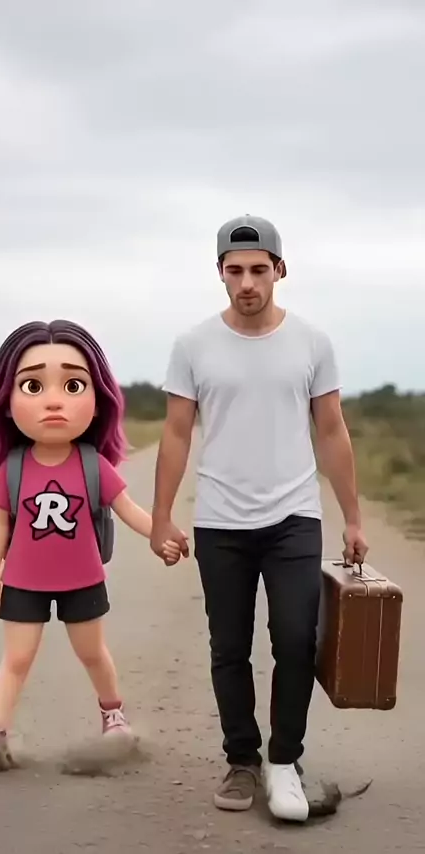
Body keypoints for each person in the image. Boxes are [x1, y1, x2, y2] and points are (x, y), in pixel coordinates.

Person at [150, 215, 369, 822]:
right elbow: (176, 433)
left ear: (279, 269)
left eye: (257, 269)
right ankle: (242, 760)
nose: (246, 282)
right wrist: (161, 517)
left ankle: (284, 761)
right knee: (229, 646)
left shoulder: (312, 343)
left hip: (294, 516)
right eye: (234, 270)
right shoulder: (193, 345)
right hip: (221, 521)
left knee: (296, 639)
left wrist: (353, 517)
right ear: (220, 273)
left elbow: (331, 431)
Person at [0, 319, 181, 772]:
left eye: (74, 385)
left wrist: (162, 535)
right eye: (33, 386)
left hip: (82, 579)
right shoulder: (14, 467)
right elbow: (0, 523)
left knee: (92, 652)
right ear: (6, 402)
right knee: (17, 658)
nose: (54, 401)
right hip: (23, 581)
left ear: (98, 401)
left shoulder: (93, 465)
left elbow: (128, 509)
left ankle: (113, 717)